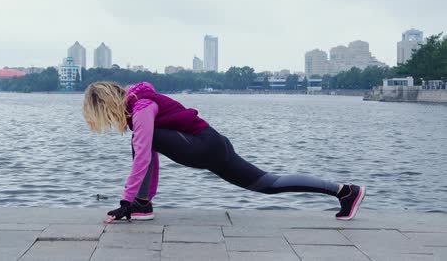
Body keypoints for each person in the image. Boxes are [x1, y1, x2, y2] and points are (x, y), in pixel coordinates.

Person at [82, 81, 366, 222]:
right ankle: (345, 191)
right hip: (210, 143)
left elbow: (144, 155)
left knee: (142, 142)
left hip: (205, 146)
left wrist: (126, 201)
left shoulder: (142, 109)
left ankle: (141, 205)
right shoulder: (139, 102)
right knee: (268, 184)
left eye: (102, 114)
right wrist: (137, 200)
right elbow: (148, 155)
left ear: (106, 104)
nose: (107, 120)